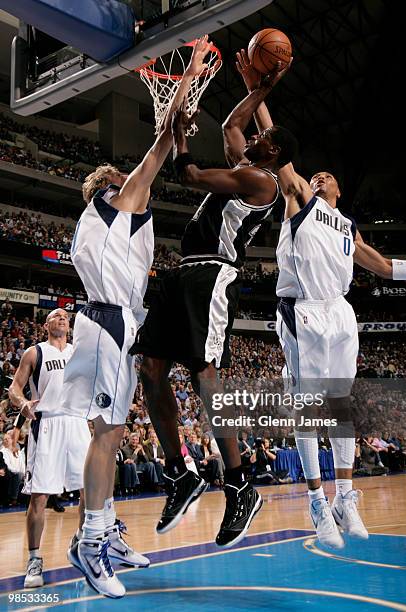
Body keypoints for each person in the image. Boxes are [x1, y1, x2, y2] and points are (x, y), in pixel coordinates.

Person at [235, 48, 406, 549]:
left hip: (340, 312)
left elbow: (388, 267)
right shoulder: (300, 200)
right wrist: (260, 91)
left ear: (340, 188)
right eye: (315, 174)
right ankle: (316, 500)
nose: (319, 176)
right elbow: (279, 146)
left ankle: (345, 496)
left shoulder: (348, 226)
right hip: (302, 310)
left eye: (327, 176)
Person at [60, 37, 213, 598]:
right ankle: (91, 542)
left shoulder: (99, 226)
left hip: (110, 325)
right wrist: (190, 74)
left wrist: (179, 128)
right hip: (108, 325)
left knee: (112, 434)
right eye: (125, 180)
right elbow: (154, 152)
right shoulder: (114, 204)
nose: (138, 185)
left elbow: (161, 149)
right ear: (109, 189)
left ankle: (107, 530)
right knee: (106, 437)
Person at [131, 58, 296, 548]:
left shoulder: (262, 182)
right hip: (182, 274)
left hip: (214, 275)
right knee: (151, 371)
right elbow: (231, 124)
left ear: (275, 152)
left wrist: (180, 134)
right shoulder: (248, 161)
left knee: (206, 377)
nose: (255, 139)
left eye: (266, 140)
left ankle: (240, 482)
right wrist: (257, 89)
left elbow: (192, 175)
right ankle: (180, 474)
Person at [8, 309, 89, 587]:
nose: (62, 318)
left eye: (66, 316)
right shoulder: (35, 352)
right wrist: (22, 405)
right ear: (46, 324)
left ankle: (81, 545)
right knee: (39, 496)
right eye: (55, 315)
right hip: (48, 424)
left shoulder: (79, 351)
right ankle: (34, 559)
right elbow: (14, 389)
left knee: (90, 490)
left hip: (77, 423)